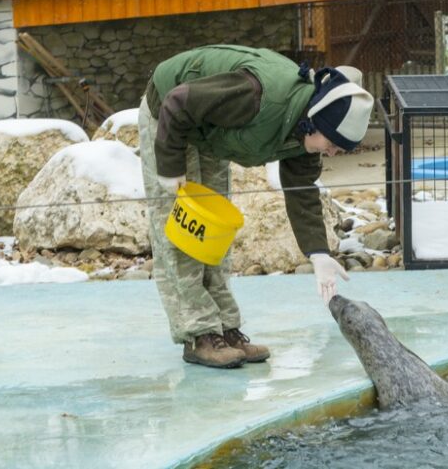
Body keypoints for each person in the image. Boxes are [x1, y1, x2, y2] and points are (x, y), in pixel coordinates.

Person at [138, 44, 374, 368]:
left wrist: (319, 255)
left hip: (210, 130)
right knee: (184, 234)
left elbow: (302, 193)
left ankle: (224, 328)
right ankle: (198, 335)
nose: (332, 153)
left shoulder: (306, 135)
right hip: (170, 116)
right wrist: (170, 169)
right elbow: (177, 103)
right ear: (316, 121)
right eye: (332, 144)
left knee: (214, 234)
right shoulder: (257, 96)